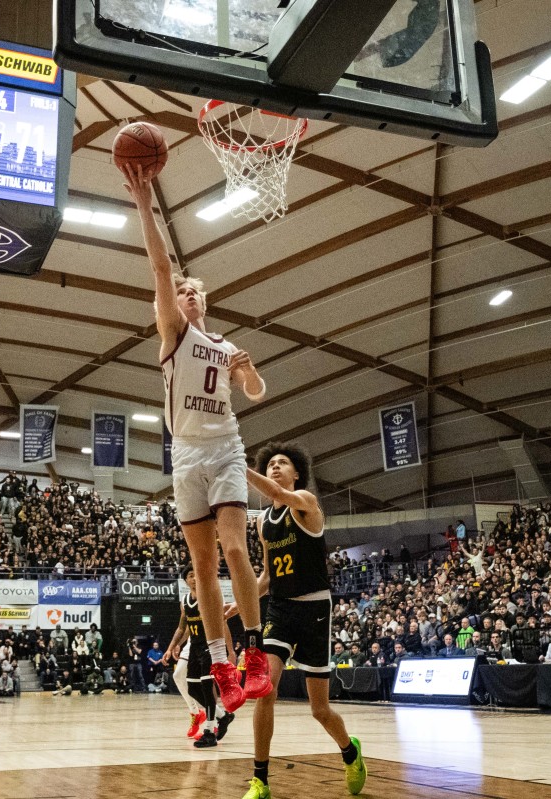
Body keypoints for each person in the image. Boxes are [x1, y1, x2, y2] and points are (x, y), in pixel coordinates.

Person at [124, 163, 271, 713]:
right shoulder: (171, 335)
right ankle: (219, 664)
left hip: (225, 446)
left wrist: (249, 371)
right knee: (202, 567)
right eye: (178, 291)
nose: (183, 294)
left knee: (236, 548)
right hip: (185, 455)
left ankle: (252, 655)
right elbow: (160, 266)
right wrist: (145, 202)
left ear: (203, 302)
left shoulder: (225, 344)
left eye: (191, 291)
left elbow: (254, 392)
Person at [234, 442, 365, 799]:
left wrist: (237, 465)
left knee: (319, 709)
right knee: (266, 688)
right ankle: (260, 780)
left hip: (314, 609)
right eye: (270, 463)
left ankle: (350, 752)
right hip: (279, 609)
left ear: (296, 474)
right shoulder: (264, 522)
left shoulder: (306, 503)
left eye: (282, 463)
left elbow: (275, 492)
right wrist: (240, 603)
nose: (275, 467)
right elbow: (265, 578)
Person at [167, 567, 236, 747]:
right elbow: (182, 628)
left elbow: (223, 624)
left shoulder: (209, 598)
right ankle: (223, 716)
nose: (195, 579)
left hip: (210, 646)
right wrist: (172, 647)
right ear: (185, 580)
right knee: (193, 690)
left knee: (207, 688)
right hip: (194, 647)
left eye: (197, 575)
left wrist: (230, 652)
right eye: (191, 576)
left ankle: (209, 732)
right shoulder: (185, 602)